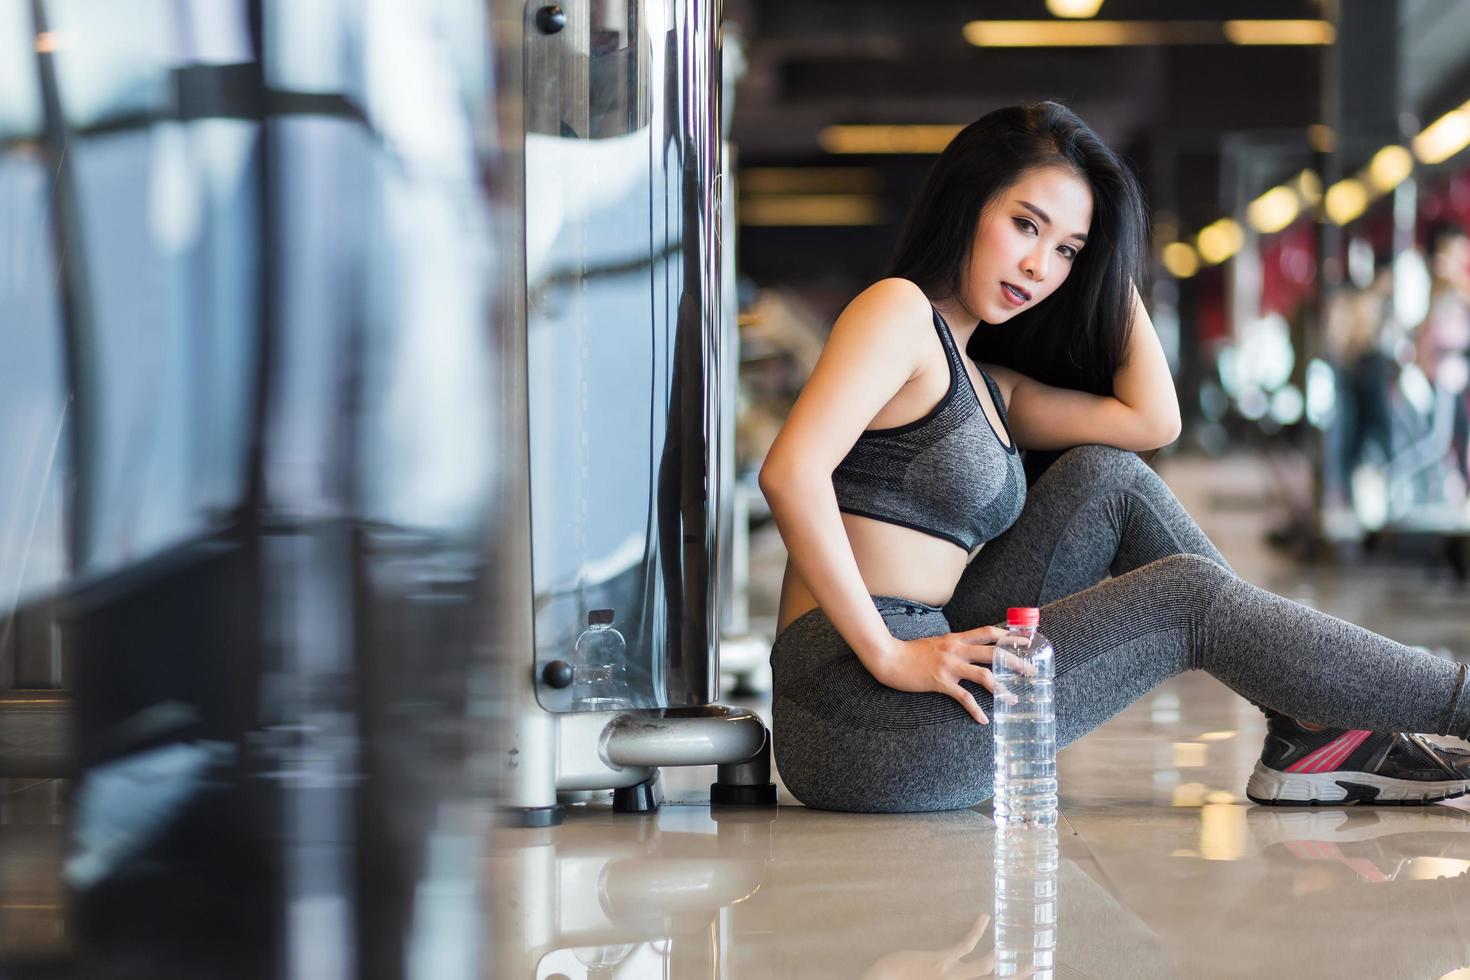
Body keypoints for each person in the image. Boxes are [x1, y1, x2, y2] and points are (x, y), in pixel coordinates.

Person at [758, 102, 1470, 814]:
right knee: (1186, 596)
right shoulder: (898, 312)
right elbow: (791, 471)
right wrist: (887, 651)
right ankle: (1452, 703)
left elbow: (1151, 419)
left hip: (934, 659)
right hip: (856, 712)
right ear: (968, 202)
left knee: (1106, 480)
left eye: (1067, 249)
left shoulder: (991, 385)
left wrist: (1106, 260)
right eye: (1026, 224)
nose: (1039, 266)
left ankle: (1313, 728)